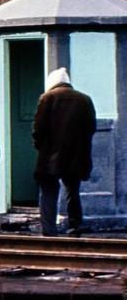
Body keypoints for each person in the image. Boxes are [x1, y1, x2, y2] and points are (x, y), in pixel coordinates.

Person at [33, 67, 97, 237]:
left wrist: (40, 147)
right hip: (76, 155)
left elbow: (38, 129)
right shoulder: (85, 99)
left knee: (48, 192)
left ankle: (49, 230)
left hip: (50, 156)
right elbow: (91, 127)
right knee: (72, 192)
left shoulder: (46, 98)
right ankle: (74, 227)